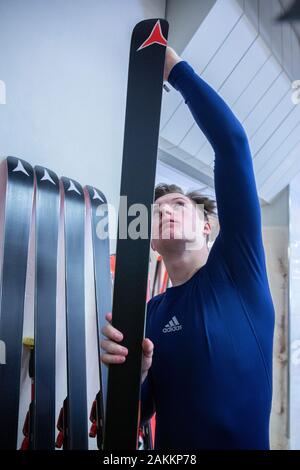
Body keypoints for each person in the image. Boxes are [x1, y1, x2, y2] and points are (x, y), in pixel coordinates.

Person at [100, 46, 275, 450]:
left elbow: (232, 145)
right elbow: (136, 417)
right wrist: (135, 377)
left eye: (178, 205)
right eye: (156, 211)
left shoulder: (238, 268)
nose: (165, 212)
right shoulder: (149, 314)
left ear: (209, 226)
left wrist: (175, 70)